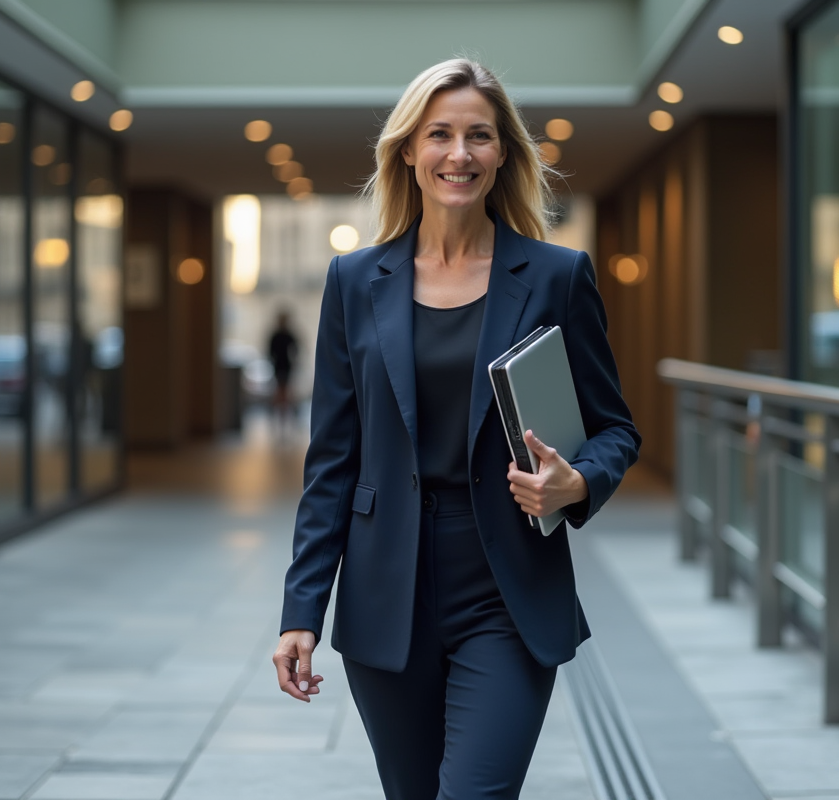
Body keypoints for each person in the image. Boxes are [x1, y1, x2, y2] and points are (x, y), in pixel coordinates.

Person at [273, 58, 640, 800]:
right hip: (386, 591)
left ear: (503, 152)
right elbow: (332, 462)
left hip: (505, 588)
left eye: (479, 135)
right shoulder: (354, 283)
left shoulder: (556, 276)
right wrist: (301, 609)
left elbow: (614, 430)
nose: (459, 154)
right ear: (408, 150)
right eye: (439, 134)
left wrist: (576, 483)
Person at [267, 310, 299, 436]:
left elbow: (295, 350)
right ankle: (281, 417)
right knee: (282, 392)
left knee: (283, 392)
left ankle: (284, 417)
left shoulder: (284, 335)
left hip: (284, 367)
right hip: (280, 367)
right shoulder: (279, 335)